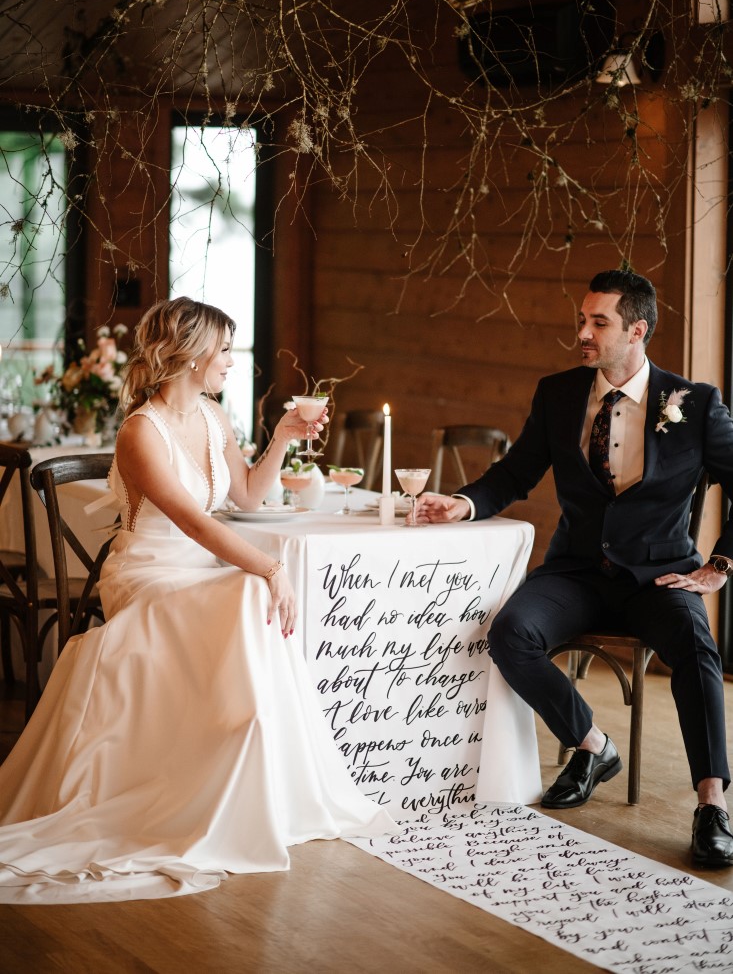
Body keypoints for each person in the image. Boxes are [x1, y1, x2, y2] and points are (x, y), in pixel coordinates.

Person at [0, 297, 395, 903]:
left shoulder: (214, 417)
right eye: (225, 350)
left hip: (197, 571)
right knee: (247, 590)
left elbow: (249, 496)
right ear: (191, 355)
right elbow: (189, 521)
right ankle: (232, 763)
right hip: (146, 571)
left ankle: (254, 765)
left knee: (246, 595)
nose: (231, 362)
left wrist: (285, 437)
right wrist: (269, 567)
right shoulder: (139, 430)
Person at [419, 269, 733, 868]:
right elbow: (516, 474)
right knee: (509, 634)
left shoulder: (694, 405)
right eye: (581, 320)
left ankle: (712, 805)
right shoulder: (559, 393)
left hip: (659, 577)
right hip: (577, 573)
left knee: (697, 645)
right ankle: (593, 744)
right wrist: (463, 503)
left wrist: (718, 566)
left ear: (637, 330)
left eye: (598, 323)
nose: (583, 333)